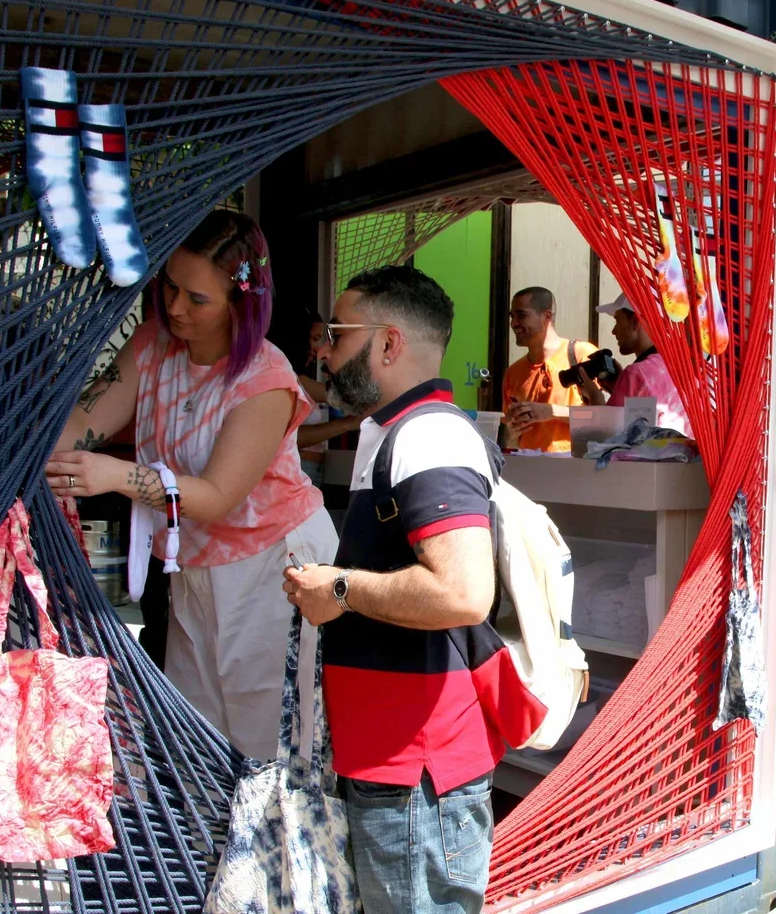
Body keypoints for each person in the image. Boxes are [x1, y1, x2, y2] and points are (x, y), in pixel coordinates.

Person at [283, 265, 534, 913]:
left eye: (338, 334)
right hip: (396, 767)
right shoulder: (398, 432)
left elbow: (461, 593)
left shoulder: (427, 436)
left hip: (415, 778)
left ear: (388, 344)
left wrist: (339, 588)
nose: (324, 350)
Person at [46, 210, 338, 761]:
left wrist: (120, 476)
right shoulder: (155, 342)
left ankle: (272, 847)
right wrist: (41, 448)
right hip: (197, 566)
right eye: (170, 287)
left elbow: (216, 496)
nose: (176, 307)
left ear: (241, 303)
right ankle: (217, 845)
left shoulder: (265, 377)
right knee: (198, 726)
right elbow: (90, 416)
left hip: (276, 566)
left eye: (197, 299)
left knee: (270, 738)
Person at [574, 291, 691, 436]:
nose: (613, 331)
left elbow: (607, 441)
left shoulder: (635, 374)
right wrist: (620, 385)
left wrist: (595, 399)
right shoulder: (680, 366)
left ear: (635, 322)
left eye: (617, 320)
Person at [502, 286, 598, 452]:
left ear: (547, 317)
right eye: (512, 316)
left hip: (575, 469)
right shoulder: (513, 373)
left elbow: (603, 418)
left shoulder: (582, 355)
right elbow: (512, 439)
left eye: (522, 315)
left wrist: (551, 411)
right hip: (529, 471)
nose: (514, 323)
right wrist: (510, 433)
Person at [289, 309, 361, 488]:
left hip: (312, 469)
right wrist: (348, 424)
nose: (318, 349)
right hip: (298, 469)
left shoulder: (299, 379)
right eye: (314, 338)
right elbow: (344, 397)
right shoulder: (292, 381)